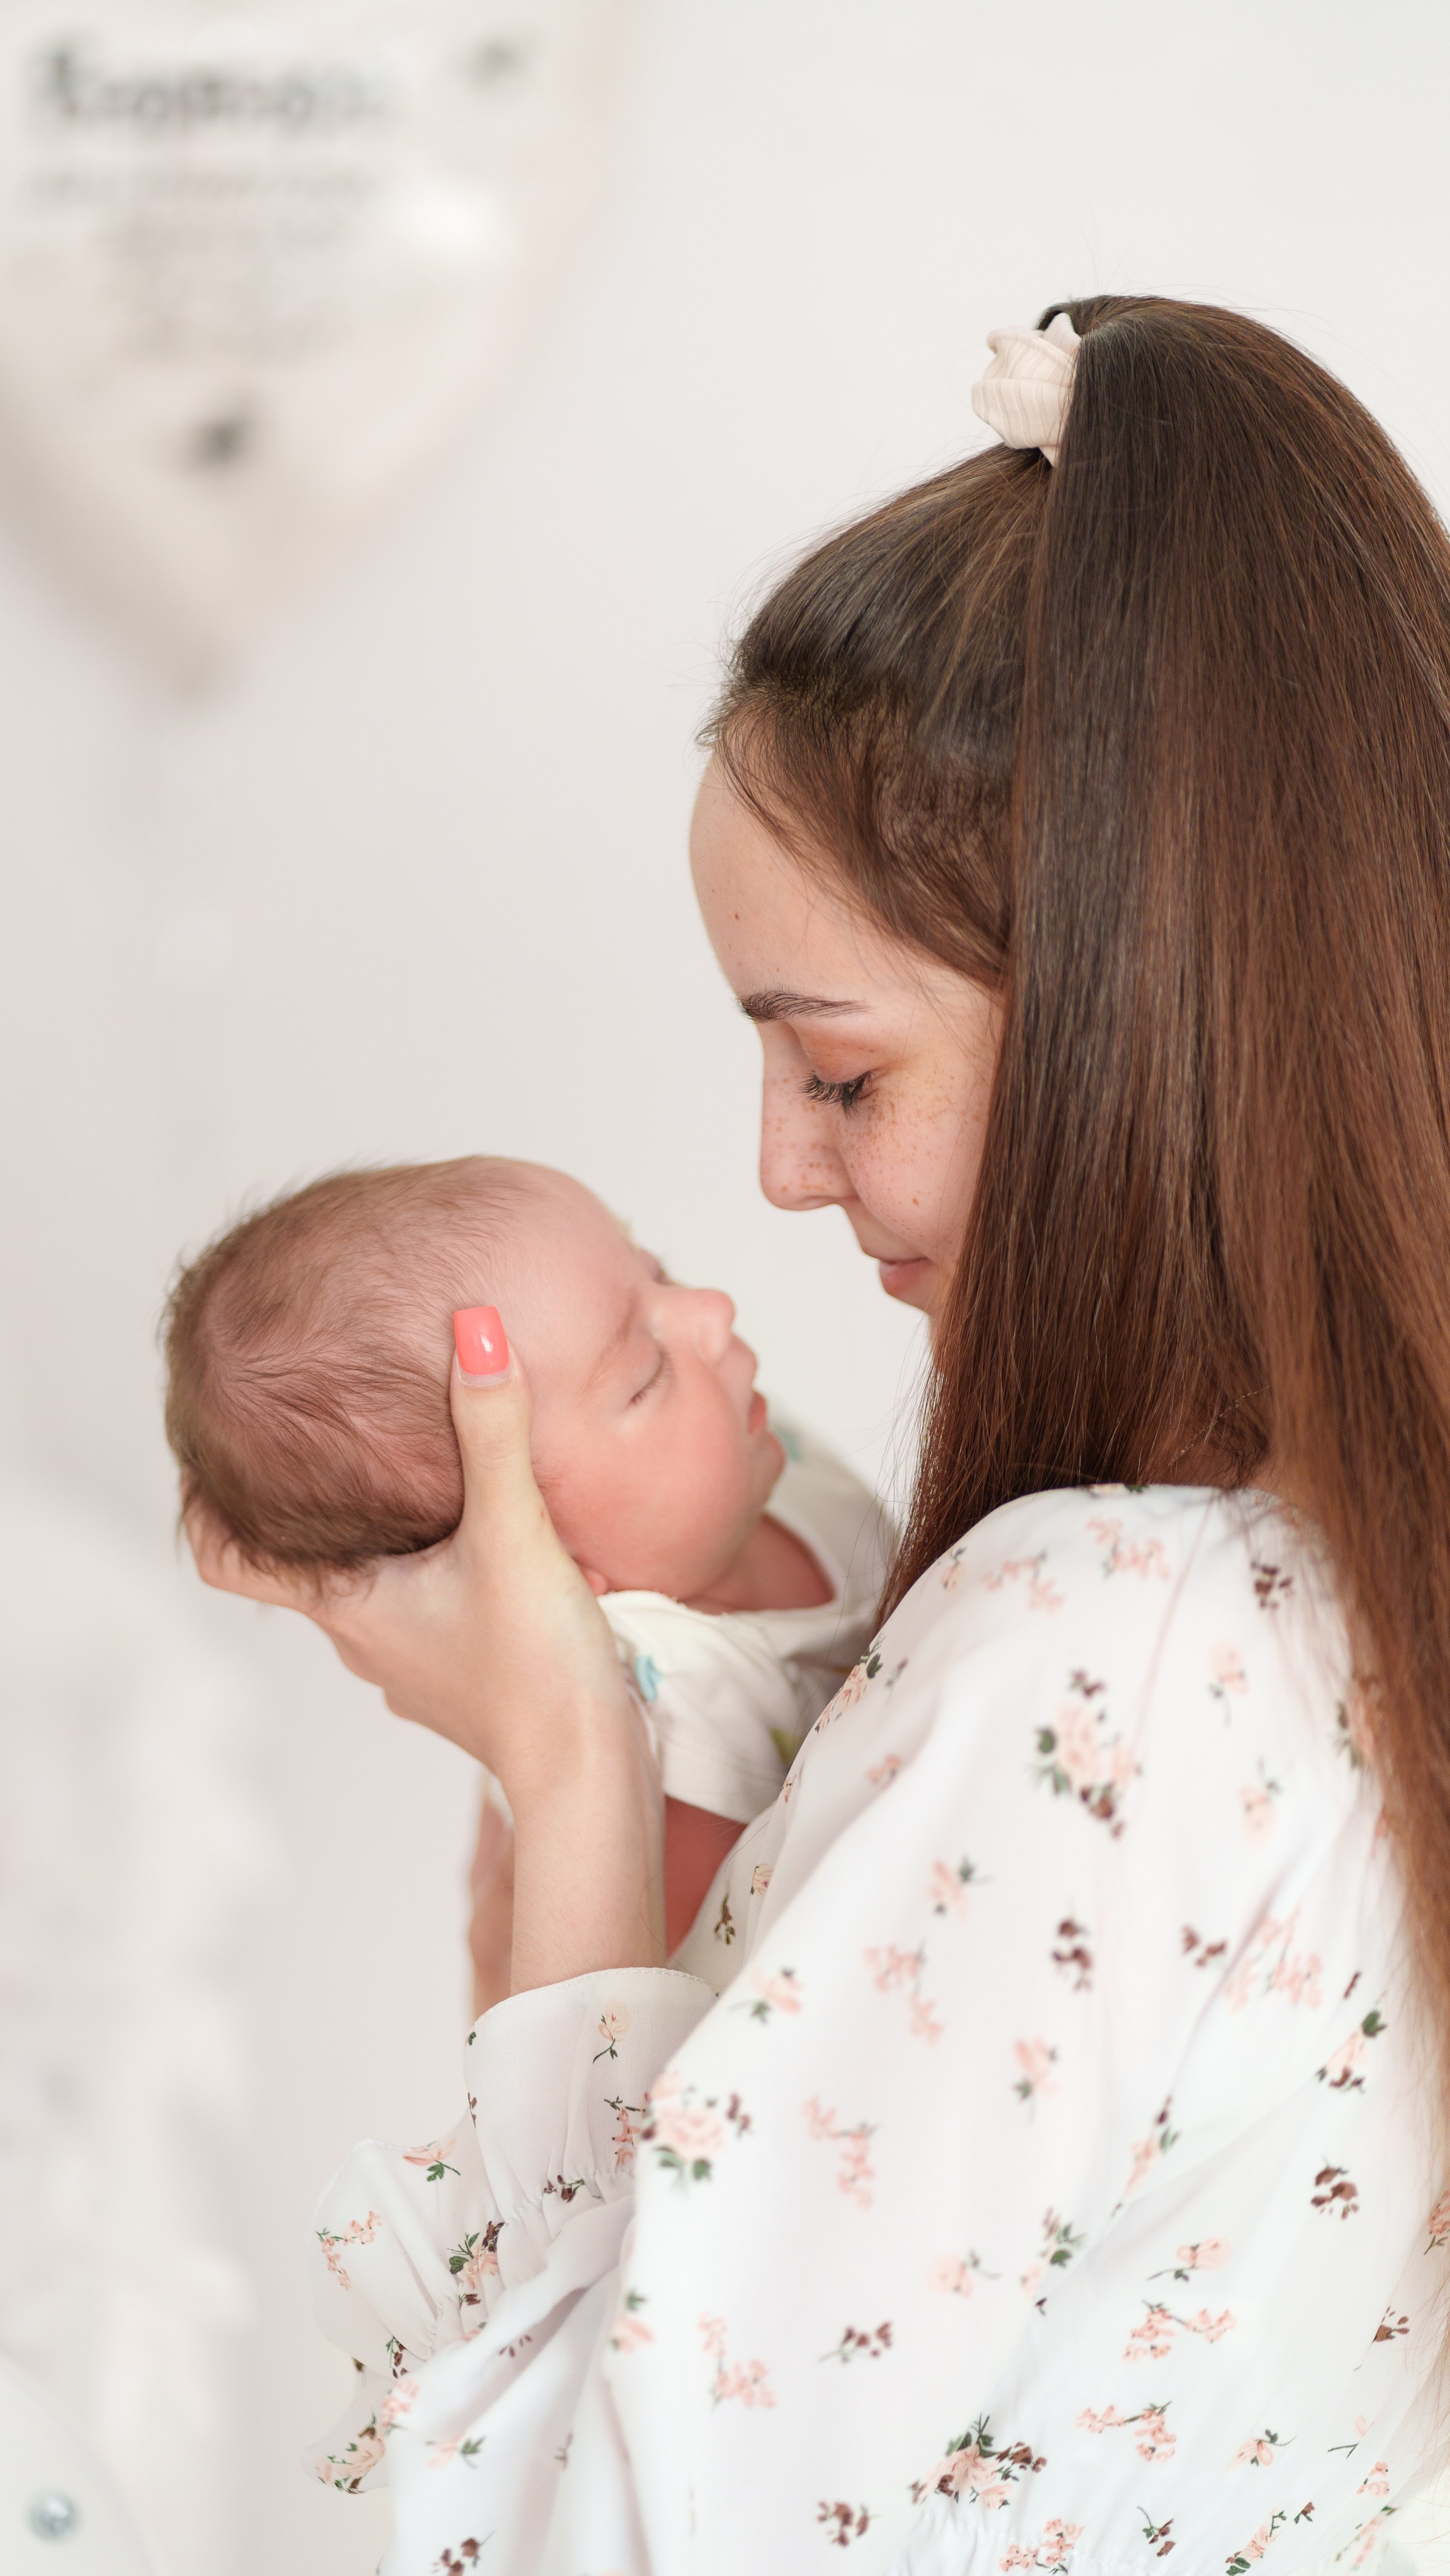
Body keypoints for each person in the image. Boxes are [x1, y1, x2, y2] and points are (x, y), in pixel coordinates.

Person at [190, 297, 1450, 2574]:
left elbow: (596, 2538)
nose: (776, 1171)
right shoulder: (1343, 1587)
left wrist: (570, 1766)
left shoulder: (1102, 1649)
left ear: (1130, 1012)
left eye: (840, 1071)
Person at [161, 1156, 891, 1962]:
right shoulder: (674, 1761)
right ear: (537, 1570)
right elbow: (703, 2006)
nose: (712, 1310)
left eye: (658, 1273)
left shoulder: (757, 1449)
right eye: (644, 1377)